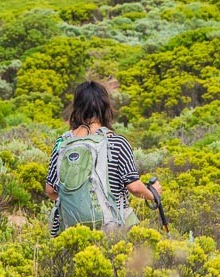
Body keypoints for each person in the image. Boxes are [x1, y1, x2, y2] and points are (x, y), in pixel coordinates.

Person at [45, 80, 161, 236]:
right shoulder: (117, 142)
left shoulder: (62, 144)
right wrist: (154, 195)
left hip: (71, 230)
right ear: (105, 107)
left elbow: (50, 190)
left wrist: (77, 200)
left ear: (76, 108)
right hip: (110, 228)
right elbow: (134, 187)